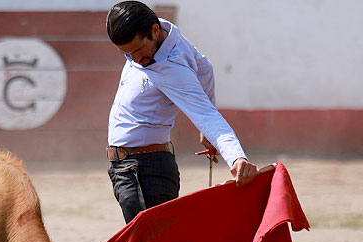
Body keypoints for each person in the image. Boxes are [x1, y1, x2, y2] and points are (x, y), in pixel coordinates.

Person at [106, 1, 258, 223]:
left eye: (138, 50)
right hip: (140, 166)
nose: (135, 59)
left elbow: (207, 116)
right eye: (126, 54)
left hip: (141, 171)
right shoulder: (167, 35)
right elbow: (205, 67)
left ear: (154, 32)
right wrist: (204, 131)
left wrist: (236, 157)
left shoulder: (172, 69)